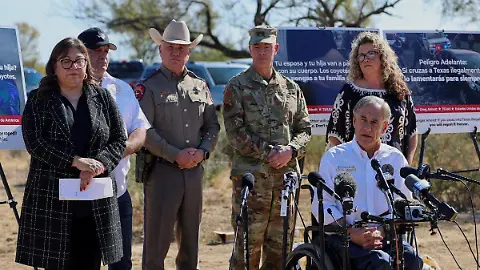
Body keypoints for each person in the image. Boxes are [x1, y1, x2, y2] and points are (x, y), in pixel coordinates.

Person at [16, 37, 126, 270]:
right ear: (54, 66)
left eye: (79, 61)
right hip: (52, 203)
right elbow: (35, 143)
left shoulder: (103, 98)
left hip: (95, 201)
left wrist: (97, 165)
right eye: (66, 61)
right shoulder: (39, 99)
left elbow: (119, 140)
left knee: (90, 263)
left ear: (86, 65)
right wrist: (75, 162)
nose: (74, 67)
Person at [223, 25, 312, 270]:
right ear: (250, 49)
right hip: (252, 185)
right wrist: (270, 153)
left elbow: (305, 130)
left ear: (276, 49)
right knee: (245, 251)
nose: (263, 52)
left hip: (284, 186)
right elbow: (235, 133)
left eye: (267, 47)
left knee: (280, 253)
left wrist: (291, 151)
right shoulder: (237, 86)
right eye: (257, 47)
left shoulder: (291, 89)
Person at [138, 19, 220, 270]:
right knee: (157, 246)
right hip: (163, 173)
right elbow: (144, 131)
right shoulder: (148, 87)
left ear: (189, 52)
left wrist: (203, 152)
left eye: (181, 48)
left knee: (190, 245)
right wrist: (175, 155)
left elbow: (212, 126)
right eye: (170, 47)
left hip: (194, 173)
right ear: (160, 49)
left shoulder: (200, 85)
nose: (176, 52)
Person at [314, 96, 426, 270]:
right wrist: (351, 233)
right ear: (354, 121)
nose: (367, 127)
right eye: (363, 120)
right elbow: (323, 205)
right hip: (344, 239)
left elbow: (403, 203)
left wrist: (383, 231)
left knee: (412, 259)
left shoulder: (395, 158)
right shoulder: (334, 157)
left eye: (374, 122)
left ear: (384, 127)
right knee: (380, 262)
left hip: (386, 236)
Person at [78, 27, 150, 270]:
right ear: (81, 53)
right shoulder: (69, 89)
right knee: (83, 262)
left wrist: (117, 151)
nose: (103, 56)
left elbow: (140, 131)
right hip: (80, 193)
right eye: (96, 51)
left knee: (121, 263)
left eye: (106, 50)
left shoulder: (122, 89)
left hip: (117, 192)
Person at [326, 31, 418, 165]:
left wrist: (406, 167)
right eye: (361, 56)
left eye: (371, 53)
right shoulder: (349, 92)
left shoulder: (399, 90)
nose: (366, 59)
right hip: (356, 170)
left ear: (382, 57)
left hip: (393, 170)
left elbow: (412, 132)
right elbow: (335, 136)